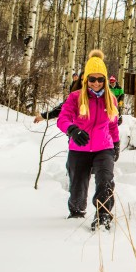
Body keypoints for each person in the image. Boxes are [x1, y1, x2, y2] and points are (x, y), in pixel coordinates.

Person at [57, 50, 120, 231]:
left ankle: (103, 216)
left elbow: (113, 125)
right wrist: (73, 130)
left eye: (100, 79)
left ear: (106, 80)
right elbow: (63, 119)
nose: (96, 83)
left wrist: (116, 144)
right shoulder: (75, 97)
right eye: (92, 79)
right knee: (77, 185)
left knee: (105, 180)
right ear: (86, 80)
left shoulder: (111, 100)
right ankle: (76, 212)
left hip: (103, 147)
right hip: (79, 148)